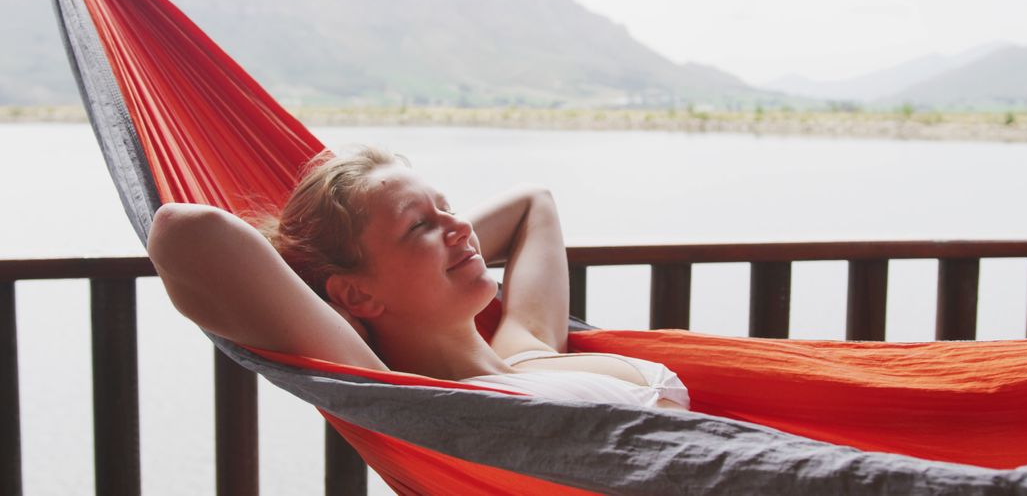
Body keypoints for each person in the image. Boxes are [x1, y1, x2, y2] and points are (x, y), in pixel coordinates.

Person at [147, 145, 689, 410]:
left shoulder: (526, 349)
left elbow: (533, 203)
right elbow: (183, 230)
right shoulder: (420, 404)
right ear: (358, 294)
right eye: (420, 225)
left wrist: (433, 242)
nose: (460, 226)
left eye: (449, 207)